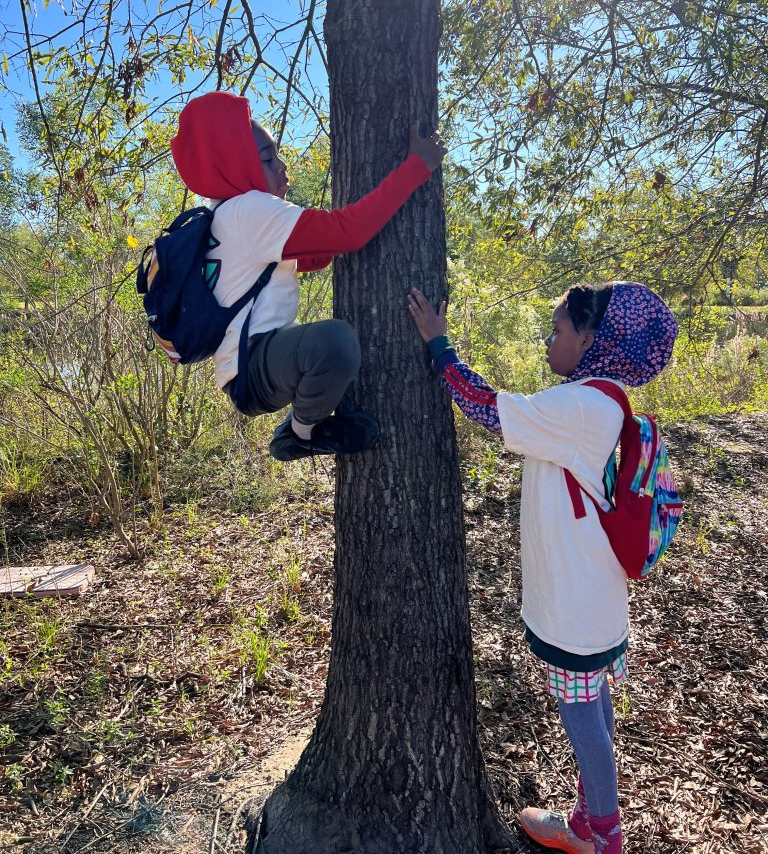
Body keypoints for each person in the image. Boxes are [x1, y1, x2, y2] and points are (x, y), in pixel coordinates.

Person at [407, 282, 678, 854]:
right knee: (593, 706)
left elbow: (489, 409)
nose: (547, 342)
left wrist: (440, 347)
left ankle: (601, 833)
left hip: (577, 602)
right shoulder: (599, 398)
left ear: (588, 337)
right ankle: (591, 818)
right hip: (593, 591)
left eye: (556, 331)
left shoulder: (583, 405)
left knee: (582, 716)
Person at [170, 90, 446, 461]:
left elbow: (313, 256)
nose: (283, 166)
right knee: (334, 342)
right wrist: (416, 167)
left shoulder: (227, 215)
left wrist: (327, 238)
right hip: (255, 365)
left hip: (253, 366)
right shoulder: (250, 210)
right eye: (268, 159)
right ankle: (300, 434)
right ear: (238, 164)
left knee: (331, 341)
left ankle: (303, 426)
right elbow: (347, 233)